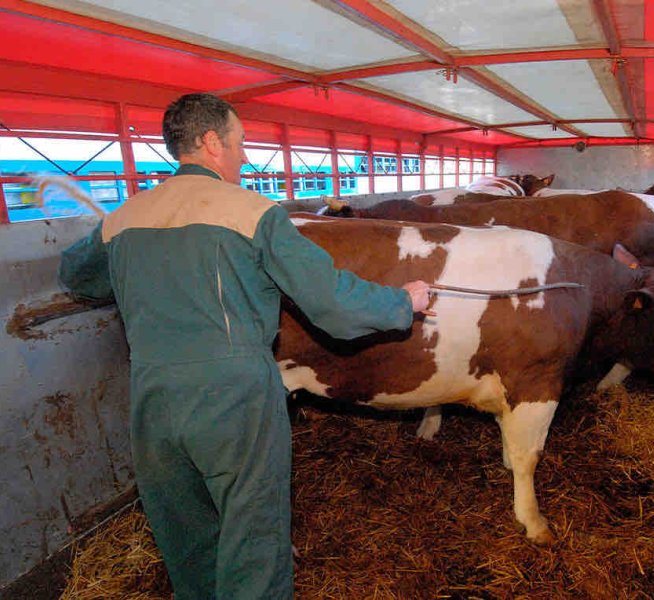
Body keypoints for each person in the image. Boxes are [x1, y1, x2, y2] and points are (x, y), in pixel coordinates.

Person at [59, 93, 430, 599]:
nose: (246, 156)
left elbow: (76, 274)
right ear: (212, 143)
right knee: (252, 531)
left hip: (153, 398)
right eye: (240, 143)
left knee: (185, 531)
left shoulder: (126, 215)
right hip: (234, 397)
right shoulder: (254, 212)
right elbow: (333, 304)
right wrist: (401, 303)